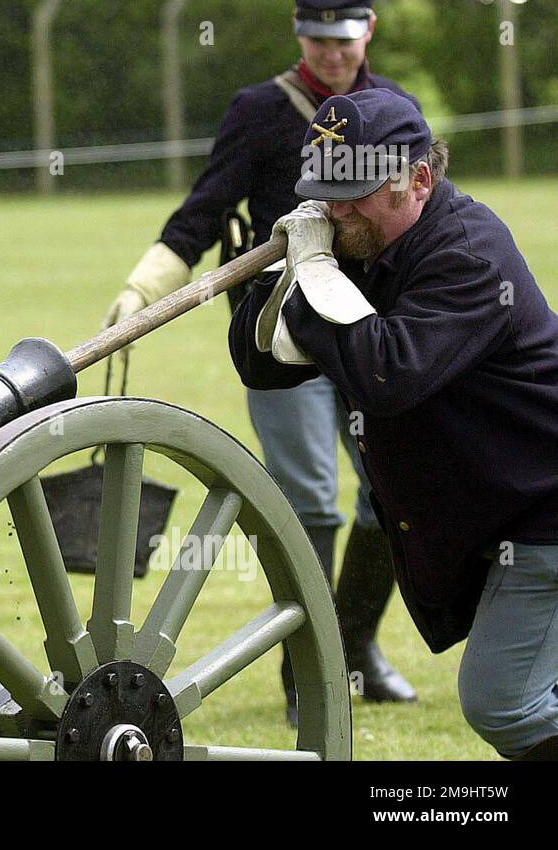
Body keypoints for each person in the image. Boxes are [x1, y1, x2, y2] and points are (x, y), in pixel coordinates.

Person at [106, 0, 417, 722]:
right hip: (282, 336)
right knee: (311, 497)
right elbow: (205, 209)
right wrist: (141, 288)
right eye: (316, 40)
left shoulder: (395, 111)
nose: (331, 55)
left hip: (368, 329)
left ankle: (354, 645)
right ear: (298, 32)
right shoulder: (259, 110)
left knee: (391, 492)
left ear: (368, 30)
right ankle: (306, 675)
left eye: (343, 39)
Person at [229, 88, 558, 759]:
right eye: (326, 190)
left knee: (506, 701)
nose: (337, 208)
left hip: (543, 512)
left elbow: (387, 374)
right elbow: (263, 367)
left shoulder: (466, 252)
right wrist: (278, 280)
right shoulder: (365, 239)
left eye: (355, 192)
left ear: (419, 179)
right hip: (499, 514)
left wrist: (316, 272)